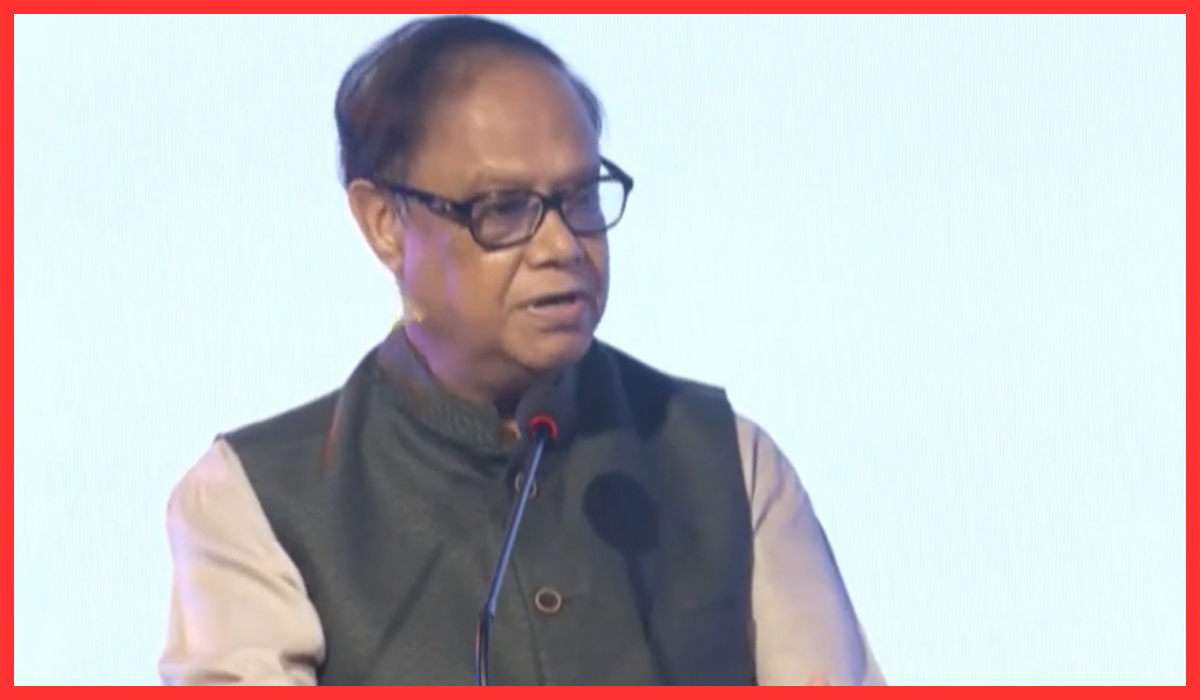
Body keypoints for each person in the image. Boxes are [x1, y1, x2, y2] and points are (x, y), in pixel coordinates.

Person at [159, 15, 885, 686]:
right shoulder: (254, 502)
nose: (562, 246)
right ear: (384, 223)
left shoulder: (726, 460)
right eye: (504, 209)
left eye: (582, 197)